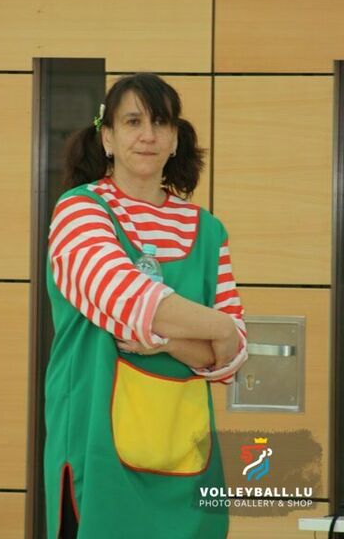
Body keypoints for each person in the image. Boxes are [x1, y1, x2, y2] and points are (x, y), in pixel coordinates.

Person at [44, 72, 248, 539]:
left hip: (186, 454)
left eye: (161, 122)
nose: (148, 135)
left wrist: (180, 340)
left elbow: (232, 356)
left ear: (175, 140)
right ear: (108, 138)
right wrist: (213, 331)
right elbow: (124, 298)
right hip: (97, 447)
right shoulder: (79, 210)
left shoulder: (208, 229)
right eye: (133, 121)